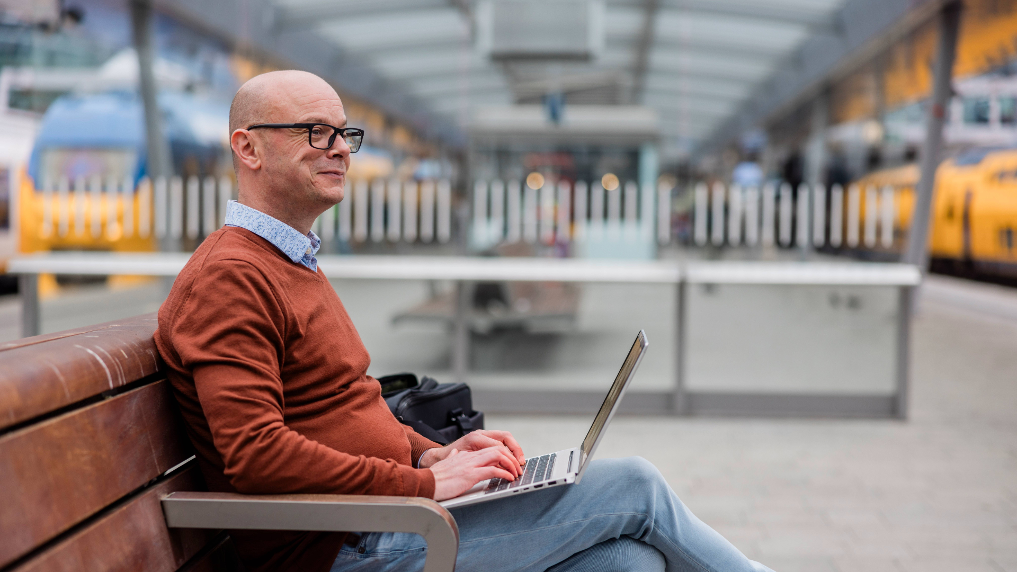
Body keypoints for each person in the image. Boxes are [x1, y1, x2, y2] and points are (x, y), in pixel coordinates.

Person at [155, 70, 773, 572]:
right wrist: (425, 488)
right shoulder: (230, 278)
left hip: (380, 523)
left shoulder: (287, 260)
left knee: (628, 565)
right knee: (634, 485)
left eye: (345, 133)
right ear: (248, 147)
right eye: (315, 132)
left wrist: (432, 456)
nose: (340, 148)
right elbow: (254, 454)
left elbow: (347, 412)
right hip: (346, 547)